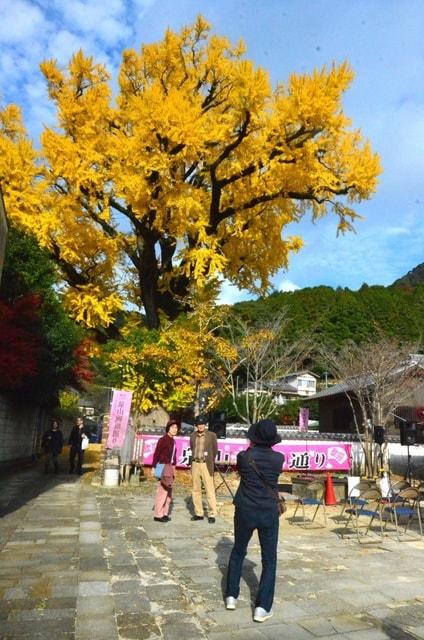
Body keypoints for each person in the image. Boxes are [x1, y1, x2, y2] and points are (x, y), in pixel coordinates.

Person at [225, 418, 284, 623]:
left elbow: (244, 469)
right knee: (269, 560)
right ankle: (262, 608)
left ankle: (231, 596)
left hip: (245, 509)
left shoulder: (244, 457)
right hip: (268, 511)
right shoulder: (279, 459)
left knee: (238, 551)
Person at [189, 414, 218, 523]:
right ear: (196, 425)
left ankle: (212, 514)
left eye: (202, 424)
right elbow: (192, 448)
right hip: (195, 463)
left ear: (205, 425)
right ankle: (199, 513)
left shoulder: (212, 435)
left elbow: (215, 450)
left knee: (209, 489)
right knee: (196, 489)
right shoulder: (192, 436)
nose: (200, 426)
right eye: (198, 424)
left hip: (206, 464)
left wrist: (210, 460)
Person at [151, 420, 180, 522]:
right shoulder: (163, 439)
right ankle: (158, 514)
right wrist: (153, 467)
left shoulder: (173, 441)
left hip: (171, 467)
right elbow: (156, 454)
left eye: (176, 428)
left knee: (169, 493)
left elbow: (174, 456)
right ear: (168, 428)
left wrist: (174, 467)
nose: (174, 429)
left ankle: (165, 513)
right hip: (164, 466)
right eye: (172, 427)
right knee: (162, 491)